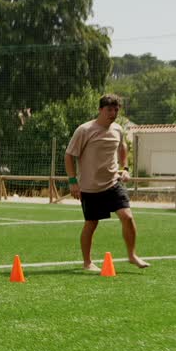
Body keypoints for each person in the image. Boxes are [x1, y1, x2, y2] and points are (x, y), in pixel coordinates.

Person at [64, 94, 149, 270]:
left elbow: (122, 147)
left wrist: (125, 168)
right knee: (91, 223)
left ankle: (132, 255)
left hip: (113, 183)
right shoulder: (84, 130)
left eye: (116, 110)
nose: (113, 113)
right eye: (109, 110)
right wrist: (73, 181)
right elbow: (69, 155)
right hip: (90, 187)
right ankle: (87, 262)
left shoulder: (118, 129)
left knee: (127, 216)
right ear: (100, 110)